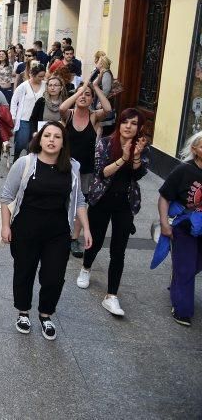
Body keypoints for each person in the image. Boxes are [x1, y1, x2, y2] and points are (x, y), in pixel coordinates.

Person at [0, 122, 92, 340]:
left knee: (54, 276)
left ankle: (45, 314)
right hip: (25, 229)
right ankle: (23, 312)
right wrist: (5, 225)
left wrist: (86, 228)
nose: (51, 140)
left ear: (63, 143)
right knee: (25, 271)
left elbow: (79, 200)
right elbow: (6, 196)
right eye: (47, 135)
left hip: (58, 232)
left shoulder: (72, 167)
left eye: (57, 137)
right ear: (39, 139)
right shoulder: (25, 163)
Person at [77, 108, 150, 317]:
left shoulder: (142, 147)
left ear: (139, 127)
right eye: (126, 122)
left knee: (119, 250)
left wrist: (135, 156)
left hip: (126, 203)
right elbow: (102, 171)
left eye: (134, 123)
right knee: (96, 241)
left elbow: (139, 174)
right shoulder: (106, 143)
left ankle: (111, 296)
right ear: (119, 123)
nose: (129, 126)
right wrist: (123, 157)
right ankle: (86, 267)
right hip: (102, 199)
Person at [59, 79, 112, 257]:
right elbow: (61, 109)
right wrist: (79, 91)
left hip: (86, 169)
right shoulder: (69, 114)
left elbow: (108, 109)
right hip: (64, 166)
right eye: (81, 94)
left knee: (80, 202)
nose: (83, 97)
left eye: (87, 95)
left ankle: (74, 238)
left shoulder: (94, 116)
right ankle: (60, 233)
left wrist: (95, 87)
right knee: (62, 200)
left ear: (92, 100)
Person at [158, 131, 202, 326]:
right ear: (195, 150)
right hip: (185, 225)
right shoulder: (184, 170)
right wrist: (164, 223)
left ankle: (178, 281)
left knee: (194, 265)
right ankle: (182, 308)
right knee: (185, 267)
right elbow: (164, 197)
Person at [10, 64, 46, 159]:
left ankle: (29, 163)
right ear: (33, 75)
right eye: (40, 76)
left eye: (43, 76)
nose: (42, 78)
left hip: (38, 120)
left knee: (33, 144)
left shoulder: (45, 85)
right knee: (21, 143)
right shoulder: (24, 86)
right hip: (24, 119)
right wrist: (13, 116)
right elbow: (14, 101)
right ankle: (16, 159)